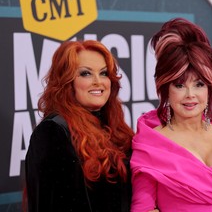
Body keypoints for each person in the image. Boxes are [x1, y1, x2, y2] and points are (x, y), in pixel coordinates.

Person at [130, 18, 212, 212]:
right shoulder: (152, 143)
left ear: (209, 87)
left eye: (199, 84)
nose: (190, 94)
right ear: (165, 88)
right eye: (180, 85)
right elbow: (144, 209)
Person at [25, 40, 134, 212]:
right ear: (67, 81)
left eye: (104, 73)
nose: (98, 82)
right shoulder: (53, 132)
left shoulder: (115, 128)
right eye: (86, 74)